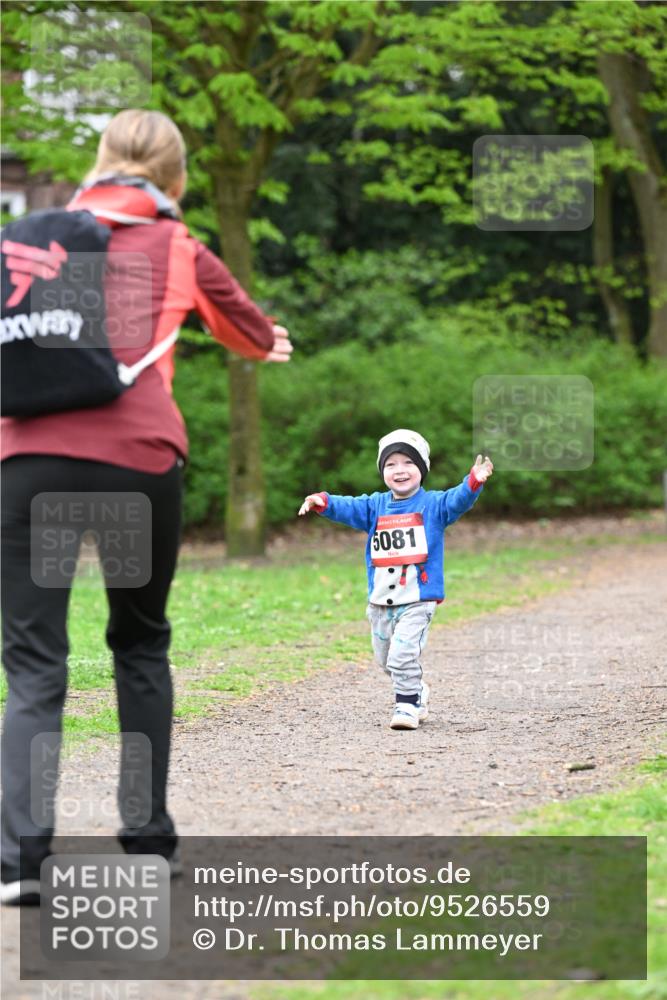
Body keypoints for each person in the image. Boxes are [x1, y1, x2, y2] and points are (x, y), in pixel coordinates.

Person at [0, 109, 292, 904]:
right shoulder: (177, 246)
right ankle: (147, 841)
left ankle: (21, 862)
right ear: (176, 176)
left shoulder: (32, 240)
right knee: (137, 644)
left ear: (98, 163)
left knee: (34, 662)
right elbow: (252, 335)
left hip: (29, 469)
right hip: (134, 468)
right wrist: (267, 340)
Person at [298, 429, 493, 730]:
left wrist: (473, 482)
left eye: (408, 463)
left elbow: (457, 500)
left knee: (402, 655)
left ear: (422, 469)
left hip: (417, 600)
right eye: (391, 464)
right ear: (382, 471)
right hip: (380, 602)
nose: (400, 470)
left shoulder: (434, 505)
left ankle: (407, 705)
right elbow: (348, 506)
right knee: (386, 660)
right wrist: (322, 501)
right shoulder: (374, 506)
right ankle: (416, 690)